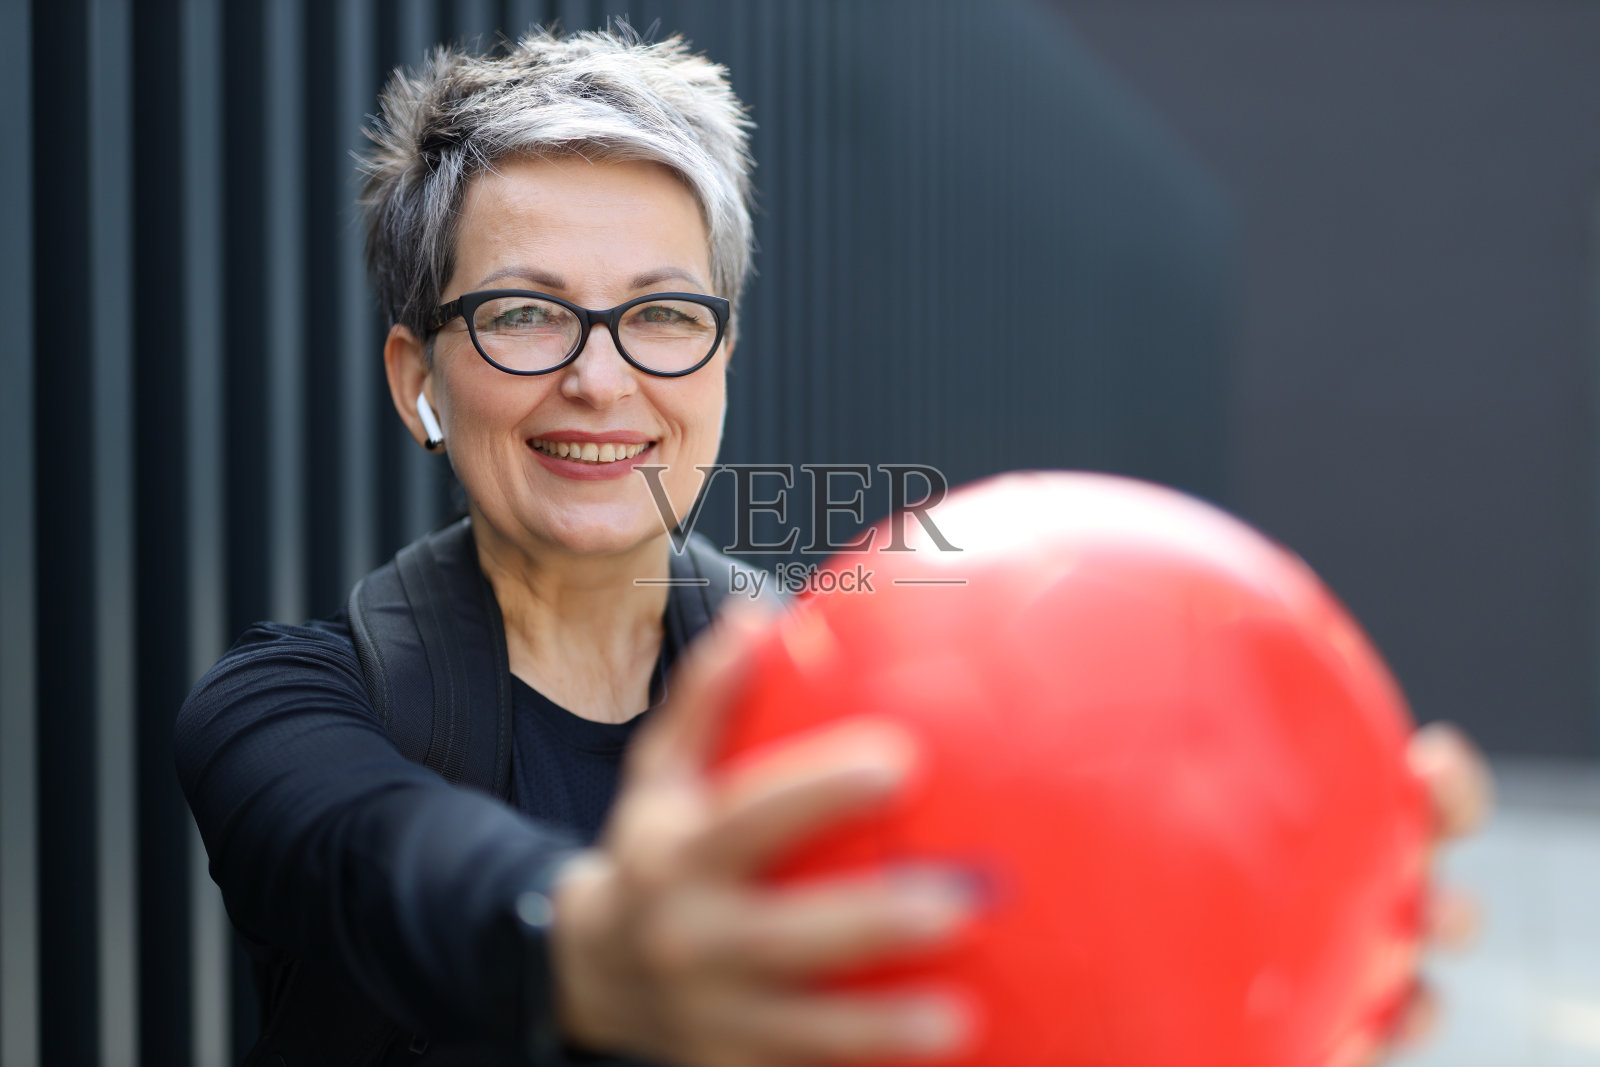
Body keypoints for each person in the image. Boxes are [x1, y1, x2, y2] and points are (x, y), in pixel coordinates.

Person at [174, 24, 1491, 1067]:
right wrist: (585, 940)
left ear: (722, 362)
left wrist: (1263, 963)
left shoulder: (858, 704)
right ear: (419, 376)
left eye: (662, 315)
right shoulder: (283, 706)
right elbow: (379, 858)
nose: (601, 378)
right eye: (525, 314)